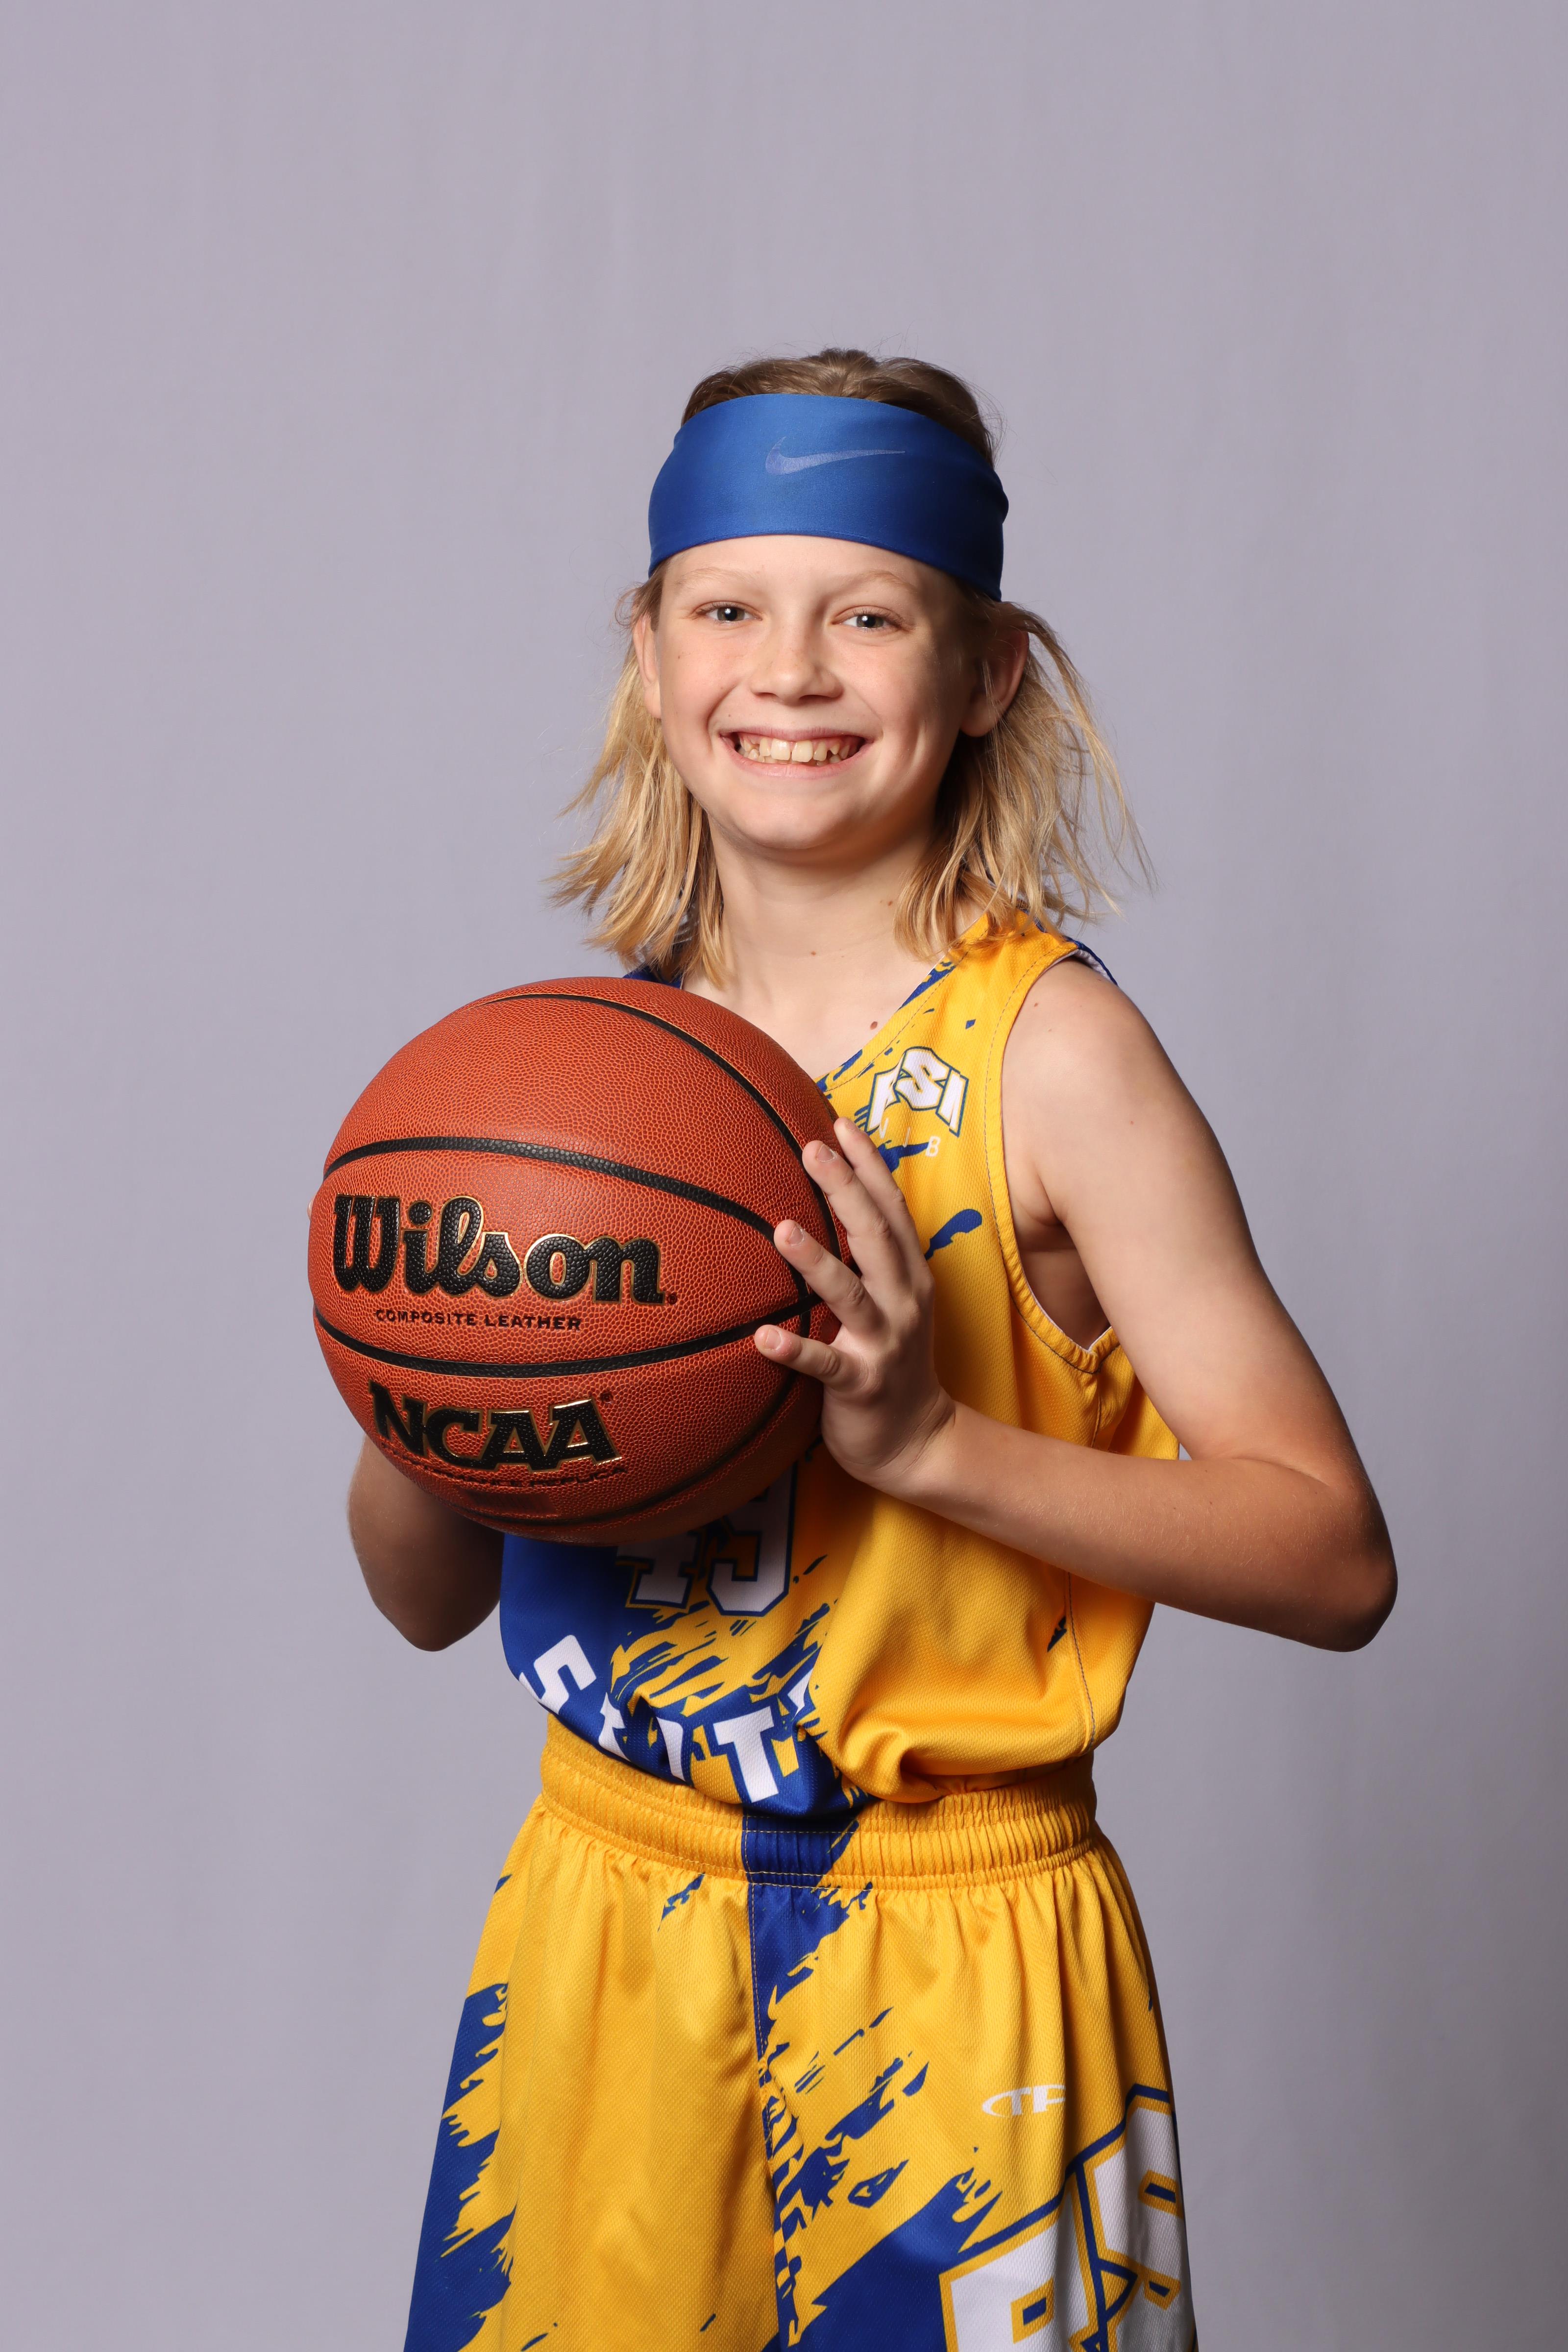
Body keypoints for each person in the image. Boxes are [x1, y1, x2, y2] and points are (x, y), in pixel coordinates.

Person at [349, 348, 1396, 2351]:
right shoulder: (582, 1082)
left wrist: (933, 1448)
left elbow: (1332, 1557)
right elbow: (420, 1599)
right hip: (608, 1915)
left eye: (869, 616)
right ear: (650, 654)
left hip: (957, 1954)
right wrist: (436, 1371)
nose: (790, 670)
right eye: (729, 607)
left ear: (987, 670)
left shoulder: (1055, 1060)